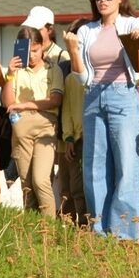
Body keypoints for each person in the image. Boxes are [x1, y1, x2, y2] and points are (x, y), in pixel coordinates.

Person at [65, 0, 139, 240]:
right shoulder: (86, 31)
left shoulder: (131, 23)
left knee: (126, 163)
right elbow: (82, 77)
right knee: (94, 167)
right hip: (93, 95)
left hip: (123, 94)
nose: (103, 0)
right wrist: (73, 52)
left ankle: (125, 235)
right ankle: (100, 232)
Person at [2, 25, 64, 216]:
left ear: (42, 48)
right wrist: (10, 75)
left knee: (40, 179)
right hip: (21, 132)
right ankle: (32, 233)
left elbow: (55, 100)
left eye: (35, 50)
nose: (31, 56)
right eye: (27, 51)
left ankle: (50, 232)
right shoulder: (17, 72)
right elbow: (8, 103)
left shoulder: (52, 70)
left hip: (45, 128)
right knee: (27, 184)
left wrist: (24, 105)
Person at [57, 19, 89, 225]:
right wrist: (68, 137)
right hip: (76, 140)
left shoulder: (100, 74)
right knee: (76, 187)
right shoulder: (69, 79)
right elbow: (67, 110)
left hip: (94, 137)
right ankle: (81, 227)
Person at [22, 6, 70, 71]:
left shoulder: (62, 56)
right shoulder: (23, 53)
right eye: (30, 28)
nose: (32, 32)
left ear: (50, 30)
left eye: (37, 29)